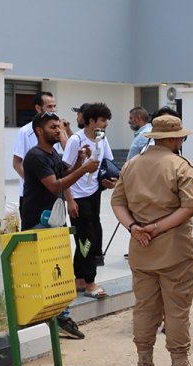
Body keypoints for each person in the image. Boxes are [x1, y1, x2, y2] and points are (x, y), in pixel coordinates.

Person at [111, 115, 193, 366]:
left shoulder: (131, 165)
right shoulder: (181, 166)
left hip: (141, 249)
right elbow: (189, 207)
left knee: (144, 307)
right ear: (174, 138)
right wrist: (157, 227)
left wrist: (135, 228)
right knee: (176, 310)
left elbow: (117, 203)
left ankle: (144, 365)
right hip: (174, 248)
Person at [20, 112, 99, 339]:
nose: (58, 130)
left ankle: (60, 315)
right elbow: (56, 186)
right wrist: (83, 170)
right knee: (44, 273)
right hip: (38, 223)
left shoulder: (52, 153)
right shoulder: (35, 156)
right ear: (39, 131)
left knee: (58, 272)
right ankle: (47, 319)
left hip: (53, 221)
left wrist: (79, 161)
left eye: (58, 127)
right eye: (53, 127)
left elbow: (63, 173)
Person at [62, 103, 116, 298]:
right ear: (91, 120)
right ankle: (91, 282)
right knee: (87, 240)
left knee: (89, 239)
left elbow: (107, 164)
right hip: (77, 197)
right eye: (102, 120)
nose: (106, 124)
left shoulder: (101, 138)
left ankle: (79, 280)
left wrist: (108, 181)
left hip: (94, 195)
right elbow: (64, 172)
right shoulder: (75, 140)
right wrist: (70, 200)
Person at [13, 92, 69, 214]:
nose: (53, 110)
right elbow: (17, 163)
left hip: (54, 194)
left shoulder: (57, 129)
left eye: (54, 106)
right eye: (49, 107)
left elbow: (69, 151)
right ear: (38, 108)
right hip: (32, 195)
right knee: (34, 230)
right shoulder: (25, 131)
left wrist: (63, 131)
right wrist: (34, 181)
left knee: (56, 231)